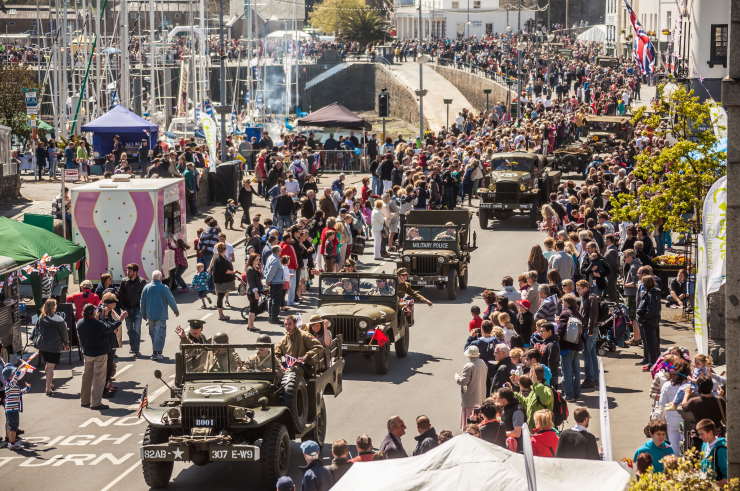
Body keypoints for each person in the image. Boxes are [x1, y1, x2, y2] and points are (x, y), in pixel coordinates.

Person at [77, 303, 118, 410]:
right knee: (98, 379)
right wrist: (120, 319)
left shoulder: (80, 323)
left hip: (87, 353)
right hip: (100, 353)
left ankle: (84, 400)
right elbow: (110, 328)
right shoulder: (98, 324)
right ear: (93, 313)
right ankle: (96, 403)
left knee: (87, 377)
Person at [140, 270, 180, 361]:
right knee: (160, 334)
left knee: (153, 334)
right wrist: (175, 310)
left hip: (150, 316)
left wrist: (143, 314)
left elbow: (142, 302)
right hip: (161, 315)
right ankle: (158, 353)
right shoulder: (164, 287)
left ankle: (155, 352)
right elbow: (171, 299)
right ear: (161, 278)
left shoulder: (146, 287)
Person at [34, 298, 69, 396]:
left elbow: (37, 330)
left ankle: (50, 383)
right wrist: (66, 344)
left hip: (43, 346)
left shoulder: (41, 317)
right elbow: (64, 333)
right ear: (54, 307)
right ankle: (48, 388)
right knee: (50, 367)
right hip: (54, 346)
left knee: (48, 366)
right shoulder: (59, 319)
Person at [455, 345, 488, 430]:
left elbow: (463, 382)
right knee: (478, 420)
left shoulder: (469, 366)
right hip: (480, 396)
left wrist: (457, 377)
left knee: (470, 423)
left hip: (471, 399)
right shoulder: (482, 362)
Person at [558, 294, 583, 401]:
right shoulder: (577, 313)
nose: (562, 304)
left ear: (566, 303)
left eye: (563, 302)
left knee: (567, 371)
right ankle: (577, 393)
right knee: (576, 370)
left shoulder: (565, 314)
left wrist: (557, 323)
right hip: (576, 345)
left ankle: (569, 395)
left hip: (566, 346)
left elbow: (561, 330)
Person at [118, 264, 146, 357]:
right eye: (127, 271)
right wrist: (123, 308)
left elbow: (144, 297)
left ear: (135, 272)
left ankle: (136, 349)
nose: (127, 273)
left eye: (129, 271)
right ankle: (132, 347)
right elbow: (120, 296)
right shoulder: (124, 281)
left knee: (137, 329)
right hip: (127, 309)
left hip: (138, 309)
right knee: (130, 329)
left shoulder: (142, 282)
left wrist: (143, 309)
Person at [637, 273, 662, 368]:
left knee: (651, 344)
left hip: (649, 322)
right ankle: (654, 362)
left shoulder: (651, 294)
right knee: (653, 343)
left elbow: (651, 310)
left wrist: (643, 319)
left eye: (643, 283)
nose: (642, 284)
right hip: (652, 321)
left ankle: (653, 363)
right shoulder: (653, 293)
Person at [2, 365, 29, 450]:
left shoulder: (13, 385)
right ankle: (12, 443)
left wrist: (27, 389)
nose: (15, 375)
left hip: (13, 409)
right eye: (13, 374)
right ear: (9, 376)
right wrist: (17, 372)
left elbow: (19, 393)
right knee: (13, 427)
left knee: (13, 427)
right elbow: (14, 381)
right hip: (11, 410)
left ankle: (12, 442)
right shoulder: (9, 385)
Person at [697, 418, 728, 484]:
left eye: (702, 434)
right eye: (699, 434)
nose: (700, 437)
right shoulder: (704, 445)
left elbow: (727, 476)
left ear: (710, 432)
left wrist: (714, 485)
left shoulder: (720, 449)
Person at [211, 242, 236, 321]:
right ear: (224, 250)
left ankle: (221, 314)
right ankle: (221, 315)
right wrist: (233, 272)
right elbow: (225, 271)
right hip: (221, 281)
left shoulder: (220, 257)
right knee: (220, 297)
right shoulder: (220, 259)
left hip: (220, 281)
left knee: (220, 296)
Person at [497, 387, 525, 452]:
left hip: (517, 449)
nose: (497, 400)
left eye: (498, 398)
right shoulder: (506, 407)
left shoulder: (517, 411)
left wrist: (500, 433)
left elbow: (517, 433)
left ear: (504, 400)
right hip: (507, 445)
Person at [264, 245, 286, 324]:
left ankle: (271, 315)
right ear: (277, 251)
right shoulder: (276, 260)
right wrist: (268, 280)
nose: (281, 251)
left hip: (274, 282)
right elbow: (272, 272)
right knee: (276, 301)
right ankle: (274, 317)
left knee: (272, 299)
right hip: (276, 283)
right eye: (280, 250)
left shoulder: (270, 257)